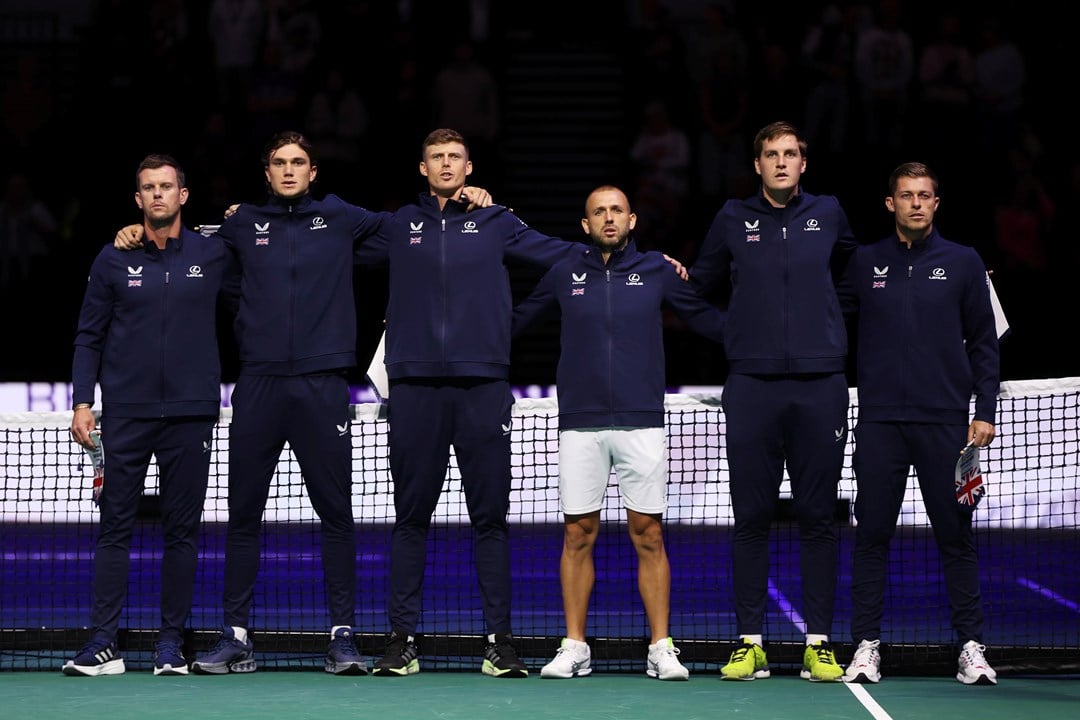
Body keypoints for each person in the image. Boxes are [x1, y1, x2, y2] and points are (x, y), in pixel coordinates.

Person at [109, 132, 482, 676]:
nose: (288, 171)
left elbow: (417, 225)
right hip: (258, 385)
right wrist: (134, 232)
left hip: (322, 385)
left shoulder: (340, 217)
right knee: (243, 516)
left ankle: (343, 636)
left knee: (336, 515)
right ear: (267, 173)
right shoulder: (239, 225)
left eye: (298, 163)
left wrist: (472, 195)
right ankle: (236, 636)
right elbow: (183, 240)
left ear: (313, 172)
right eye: (279, 163)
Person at [355, 129, 600, 678]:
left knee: (490, 519)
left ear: (469, 167)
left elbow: (559, 254)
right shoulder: (399, 226)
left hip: (483, 388)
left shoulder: (497, 223)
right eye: (436, 158)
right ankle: (402, 641)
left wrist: (629, 255)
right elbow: (323, 244)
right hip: (415, 388)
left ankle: (499, 642)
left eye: (454, 157)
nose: (445, 164)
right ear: (422, 168)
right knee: (410, 519)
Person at [512, 185, 726, 681]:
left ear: (632, 220)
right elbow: (516, 321)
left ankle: (661, 647)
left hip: (642, 422)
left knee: (648, 534)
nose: (608, 218)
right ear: (585, 225)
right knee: (576, 534)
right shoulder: (565, 271)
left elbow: (705, 318)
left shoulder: (656, 271)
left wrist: (763, 339)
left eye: (616, 211)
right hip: (580, 425)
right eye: (598, 213)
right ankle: (575, 646)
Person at [688, 120, 856, 682]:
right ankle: (750, 642)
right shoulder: (733, 219)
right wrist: (732, 334)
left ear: (803, 164)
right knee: (751, 518)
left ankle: (818, 644)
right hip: (753, 387)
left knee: (818, 519)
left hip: (820, 386)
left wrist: (828, 331)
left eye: (790, 154)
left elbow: (857, 280)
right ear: (756, 165)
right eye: (770, 154)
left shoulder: (828, 213)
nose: (781, 162)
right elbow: (696, 289)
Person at [64, 154, 235, 677]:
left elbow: (265, 242)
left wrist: (239, 214)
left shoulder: (213, 253)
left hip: (190, 414)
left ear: (183, 195)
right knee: (114, 528)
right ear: (137, 199)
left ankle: (169, 645)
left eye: (167, 187)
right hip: (127, 416)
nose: (158, 194)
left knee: (182, 532)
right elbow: (89, 335)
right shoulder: (112, 259)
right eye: (148, 188)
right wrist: (82, 401)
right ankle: (102, 643)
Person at [841, 162, 999, 686]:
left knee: (956, 536)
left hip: (944, 427)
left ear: (936, 204)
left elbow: (983, 342)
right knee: (873, 537)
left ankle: (971, 648)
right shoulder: (865, 263)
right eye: (906, 195)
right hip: (881, 424)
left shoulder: (964, 263)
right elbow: (824, 318)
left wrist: (984, 410)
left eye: (924, 195)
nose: (915, 203)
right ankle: (866, 647)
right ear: (891, 204)